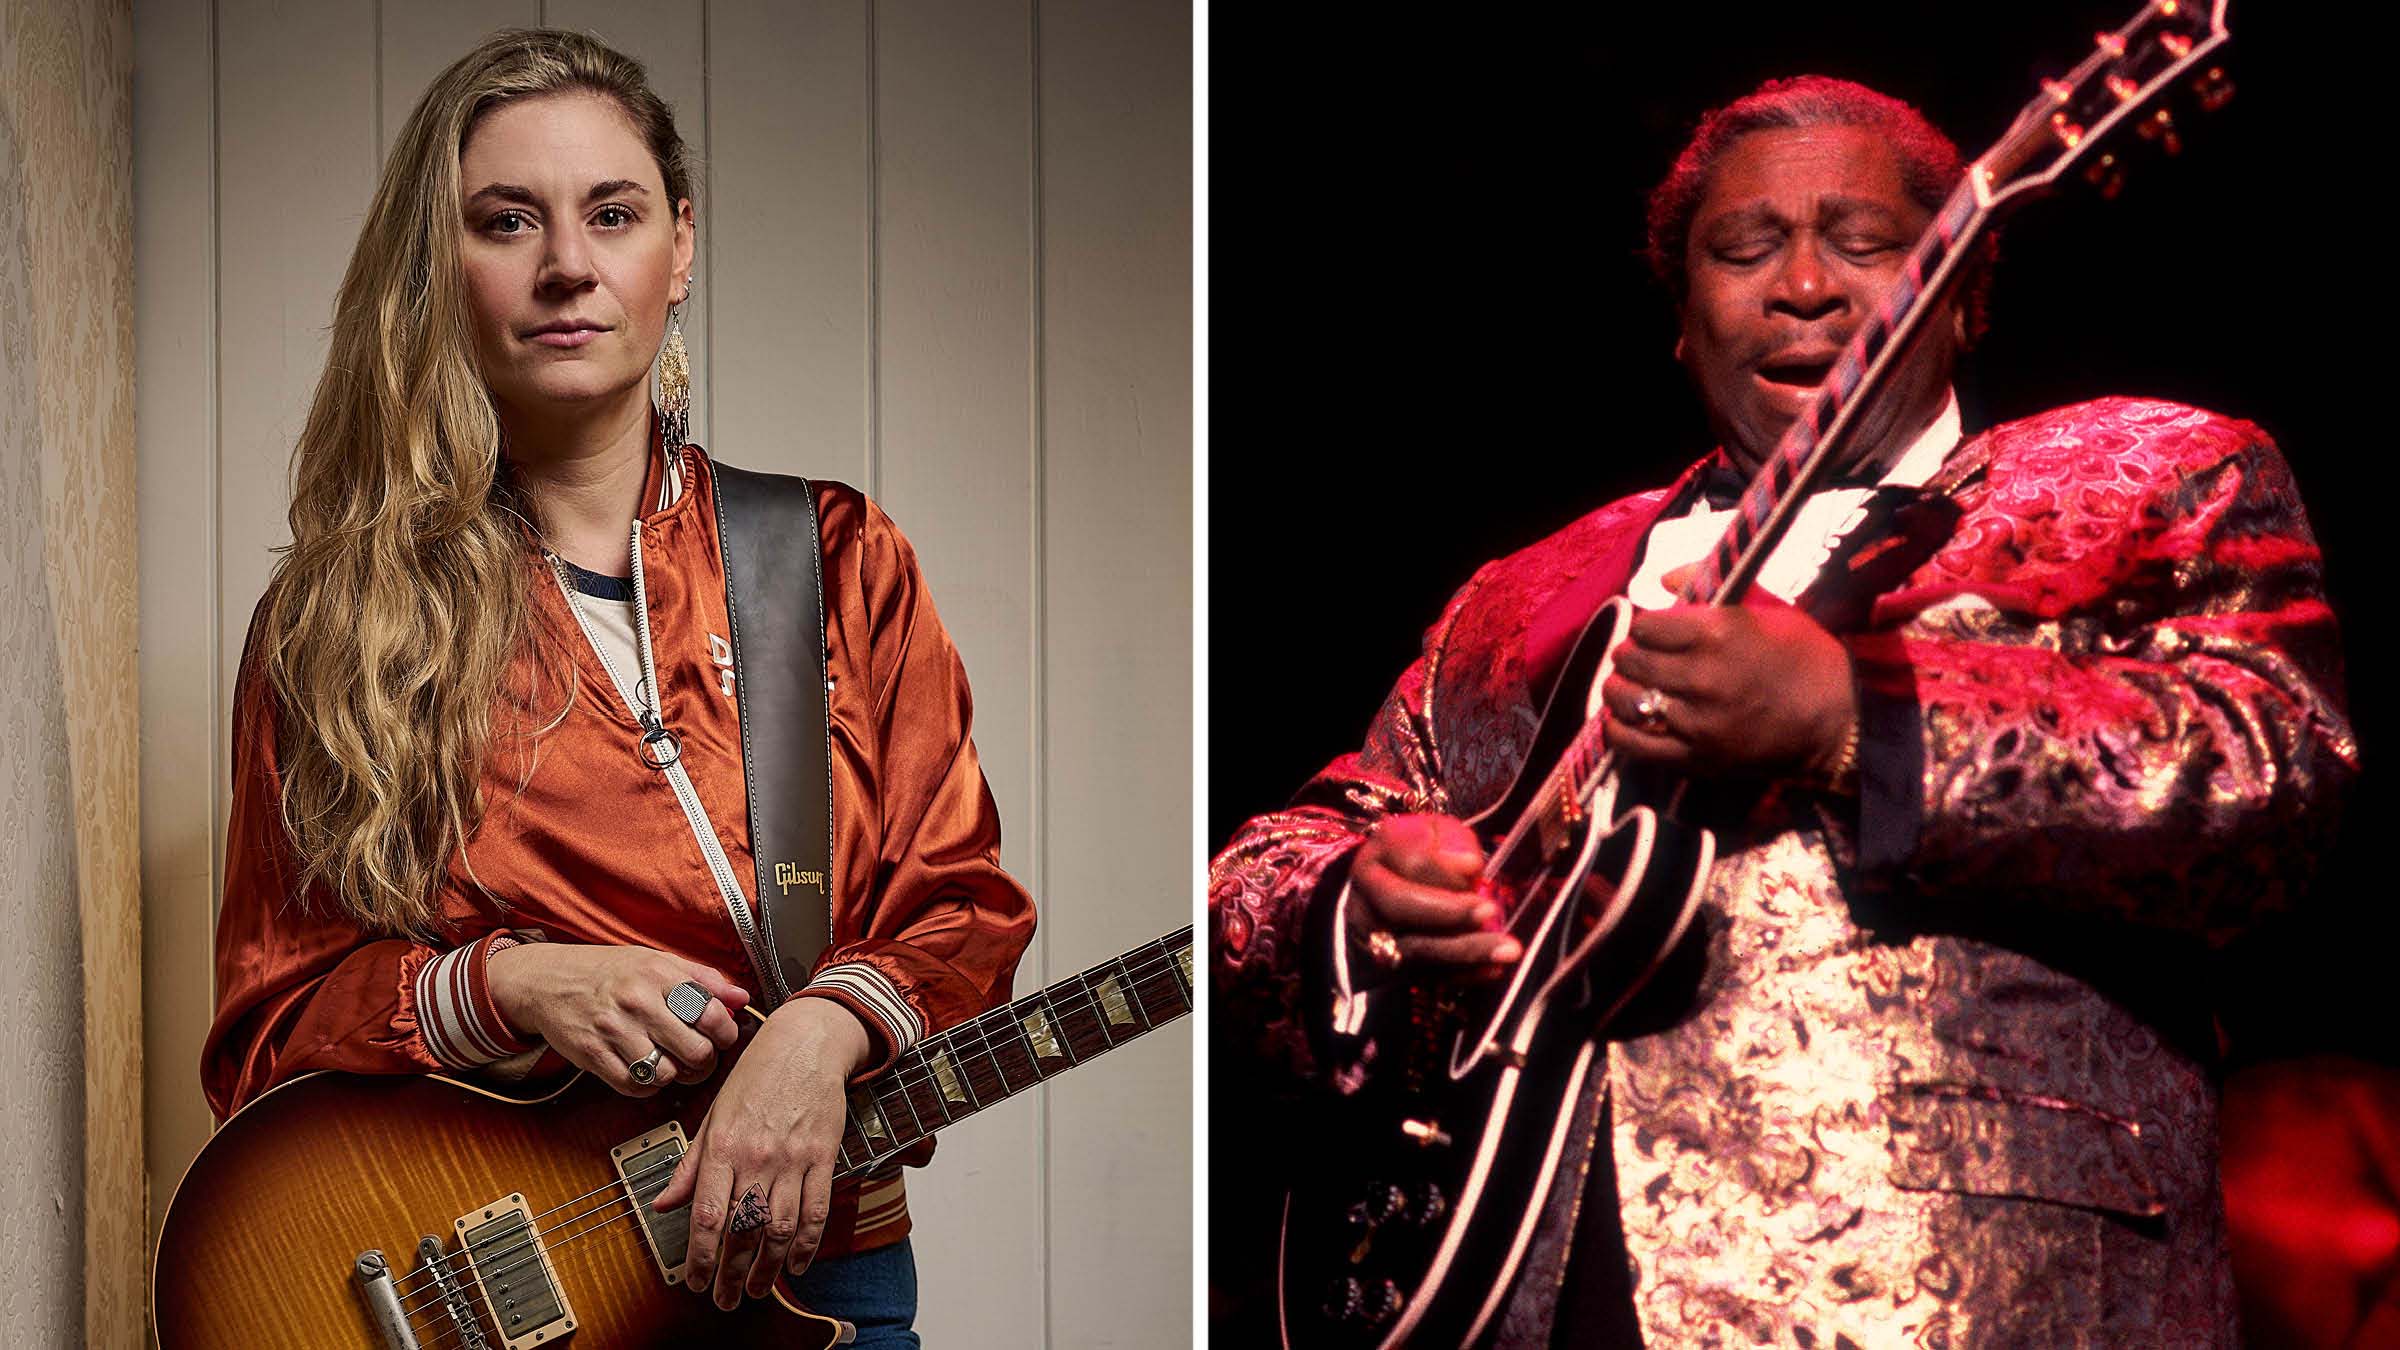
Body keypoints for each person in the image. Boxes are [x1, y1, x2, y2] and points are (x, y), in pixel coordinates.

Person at [1210, 75, 2355, 1346]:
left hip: (1973, 1280)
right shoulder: (1518, 594)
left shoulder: (2156, 471)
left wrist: (1848, 713)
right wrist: (1360, 894)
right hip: (1512, 1274)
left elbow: (2273, 771)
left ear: (1965, 292)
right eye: (1743, 250)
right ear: (1684, 327)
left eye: (1865, 245)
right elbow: (1261, 872)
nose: (1803, 284)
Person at [200, 30, 1032, 1345]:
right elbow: (267, 1029)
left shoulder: (833, 556)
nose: (568, 264)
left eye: (613, 212)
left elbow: (960, 903)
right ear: (440, 265)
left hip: (830, 1283)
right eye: (506, 220)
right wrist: (508, 986)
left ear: (679, 246)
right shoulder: (332, 625)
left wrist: (820, 1032)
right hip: (516, 1293)